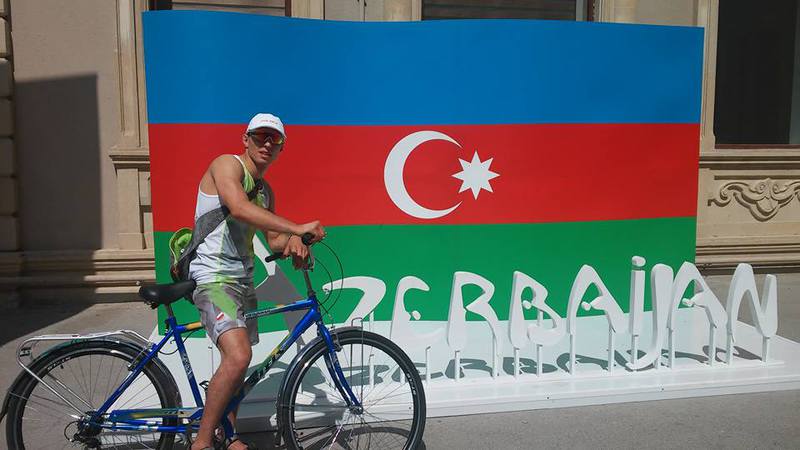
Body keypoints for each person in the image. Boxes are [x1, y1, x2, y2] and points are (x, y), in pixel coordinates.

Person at [188, 113, 325, 450]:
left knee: (237, 363)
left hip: (242, 282)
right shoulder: (226, 165)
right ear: (245, 139)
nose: (266, 143)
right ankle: (202, 443)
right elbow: (237, 207)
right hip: (214, 279)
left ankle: (229, 435)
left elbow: (275, 241)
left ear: (281, 148)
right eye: (260, 136)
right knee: (238, 357)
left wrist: (296, 242)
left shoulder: (264, 192)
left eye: (274, 139)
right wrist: (296, 227)